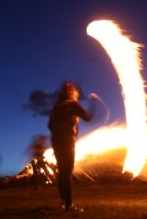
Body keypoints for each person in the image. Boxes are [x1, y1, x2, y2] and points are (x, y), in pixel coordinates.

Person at [48, 82, 96, 212]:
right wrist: (93, 104)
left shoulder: (56, 107)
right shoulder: (72, 104)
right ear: (72, 93)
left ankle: (63, 202)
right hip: (68, 141)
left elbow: (50, 126)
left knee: (62, 171)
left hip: (56, 142)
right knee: (67, 172)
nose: (78, 96)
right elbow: (87, 117)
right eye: (77, 94)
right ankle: (69, 205)